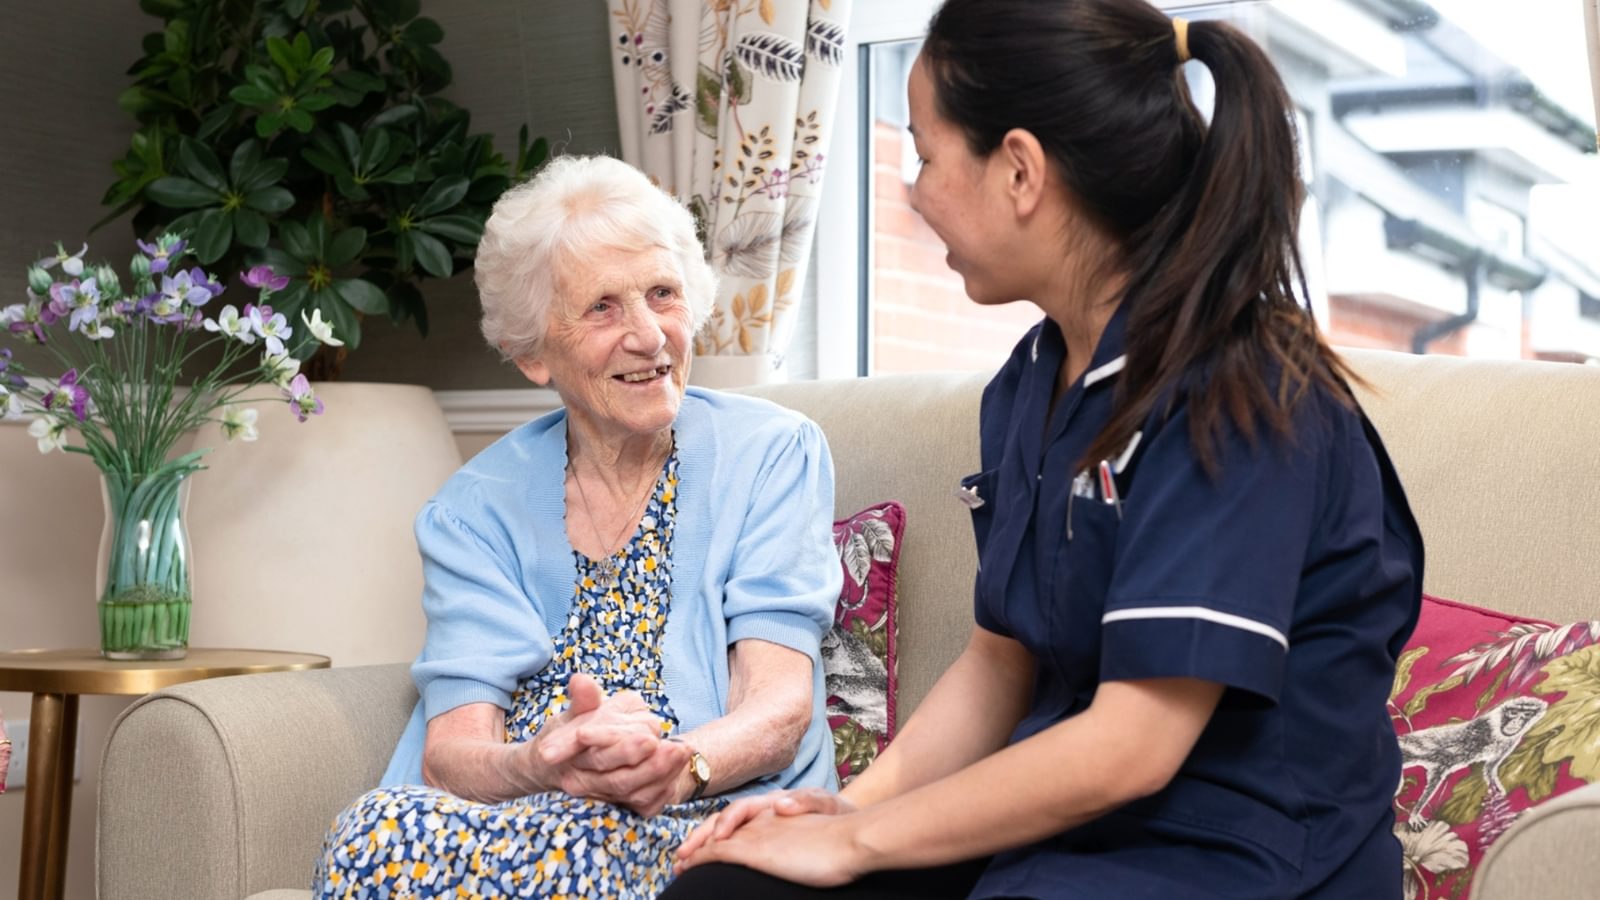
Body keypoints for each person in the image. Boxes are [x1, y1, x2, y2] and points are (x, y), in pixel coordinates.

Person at [665, 1, 1424, 898]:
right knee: (731, 890)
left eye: (927, 153)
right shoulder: (1031, 384)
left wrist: (858, 849)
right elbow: (1000, 662)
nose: (915, 188)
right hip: (1067, 838)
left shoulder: (1245, 396)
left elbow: (1131, 748)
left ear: (1019, 170)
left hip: (1233, 857)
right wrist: (853, 812)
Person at [313, 155, 843, 898]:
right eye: (603, 308)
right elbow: (453, 754)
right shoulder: (474, 507)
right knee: (369, 833)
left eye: (663, 295)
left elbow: (779, 707)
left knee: (588, 846)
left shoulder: (772, 453)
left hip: (700, 805)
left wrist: (675, 765)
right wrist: (544, 762)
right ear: (534, 353)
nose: (650, 337)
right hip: (517, 810)